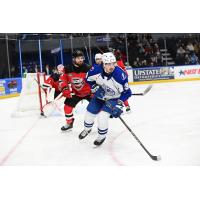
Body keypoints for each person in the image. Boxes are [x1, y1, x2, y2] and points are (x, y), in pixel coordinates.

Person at [79, 52, 132, 146]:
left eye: (113, 63)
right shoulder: (95, 70)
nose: (111, 66)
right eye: (108, 64)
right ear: (103, 64)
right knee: (89, 114)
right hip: (100, 95)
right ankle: (87, 129)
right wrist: (94, 86)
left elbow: (127, 93)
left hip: (113, 98)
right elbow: (88, 79)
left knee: (102, 117)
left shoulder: (120, 75)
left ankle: (101, 137)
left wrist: (119, 105)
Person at [59, 50, 92, 132]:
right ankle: (69, 123)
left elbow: (96, 79)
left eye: (82, 58)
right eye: (78, 58)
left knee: (98, 108)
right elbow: (62, 80)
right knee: (67, 108)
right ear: (73, 59)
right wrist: (65, 89)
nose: (81, 60)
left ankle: (100, 124)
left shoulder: (88, 68)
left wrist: (96, 89)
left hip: (89, 92)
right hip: (76, 93)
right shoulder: (67, 69)